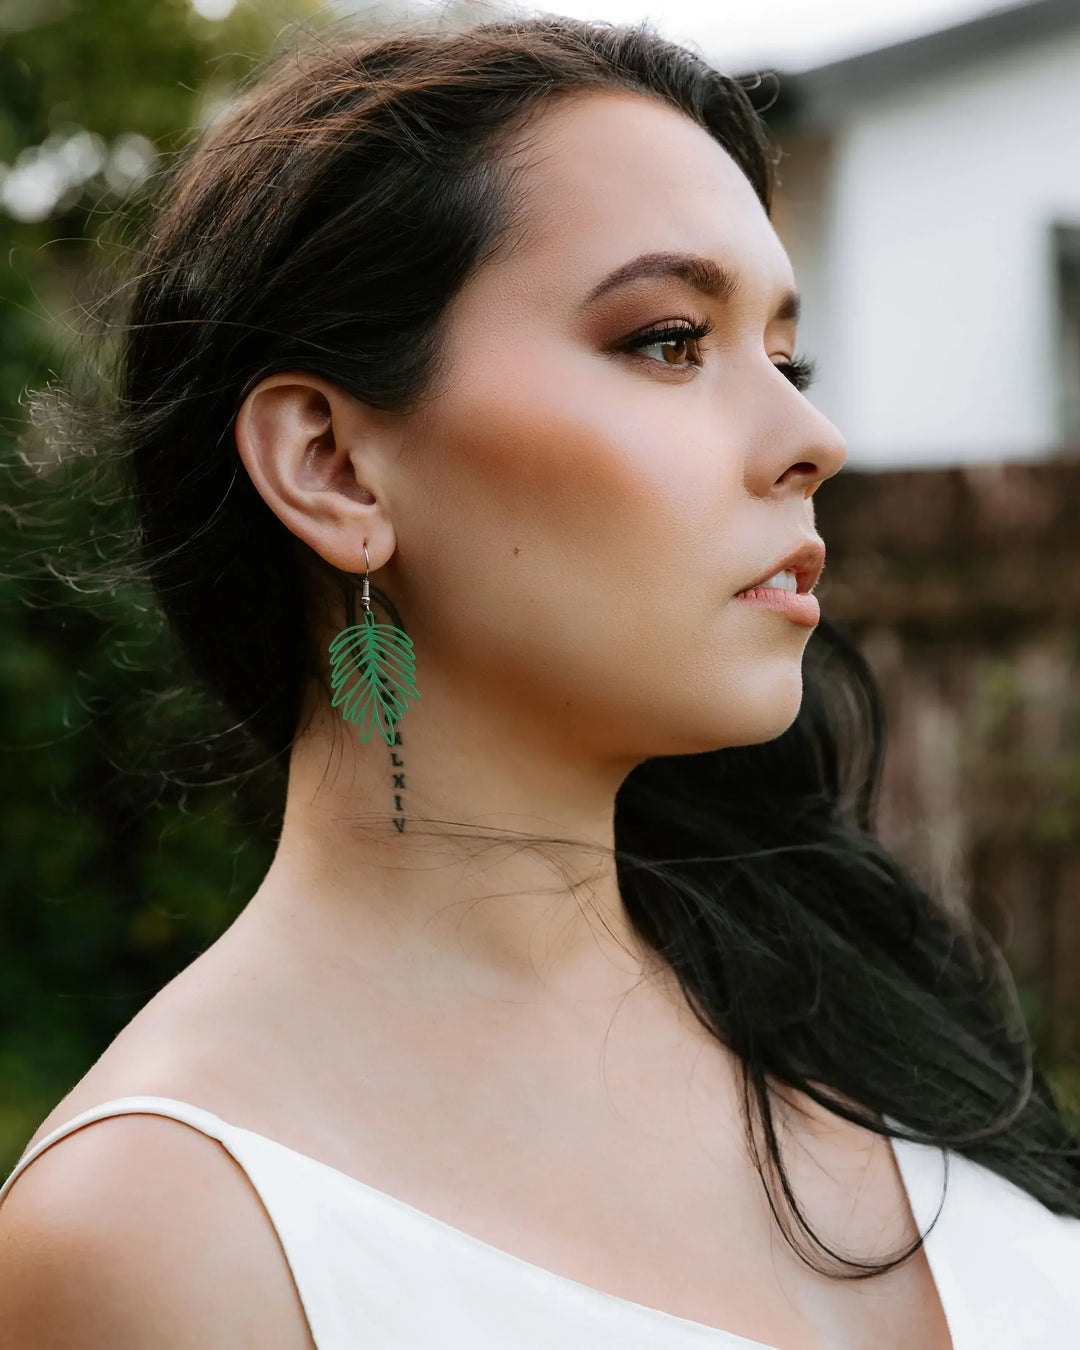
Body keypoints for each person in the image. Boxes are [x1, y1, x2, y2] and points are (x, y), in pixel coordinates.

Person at [0, 13, 1077, 1349]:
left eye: (788, 358)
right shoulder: (164, 1234)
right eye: (673, 340)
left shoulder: (861, 1006)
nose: (814, 437)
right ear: (334, 465)